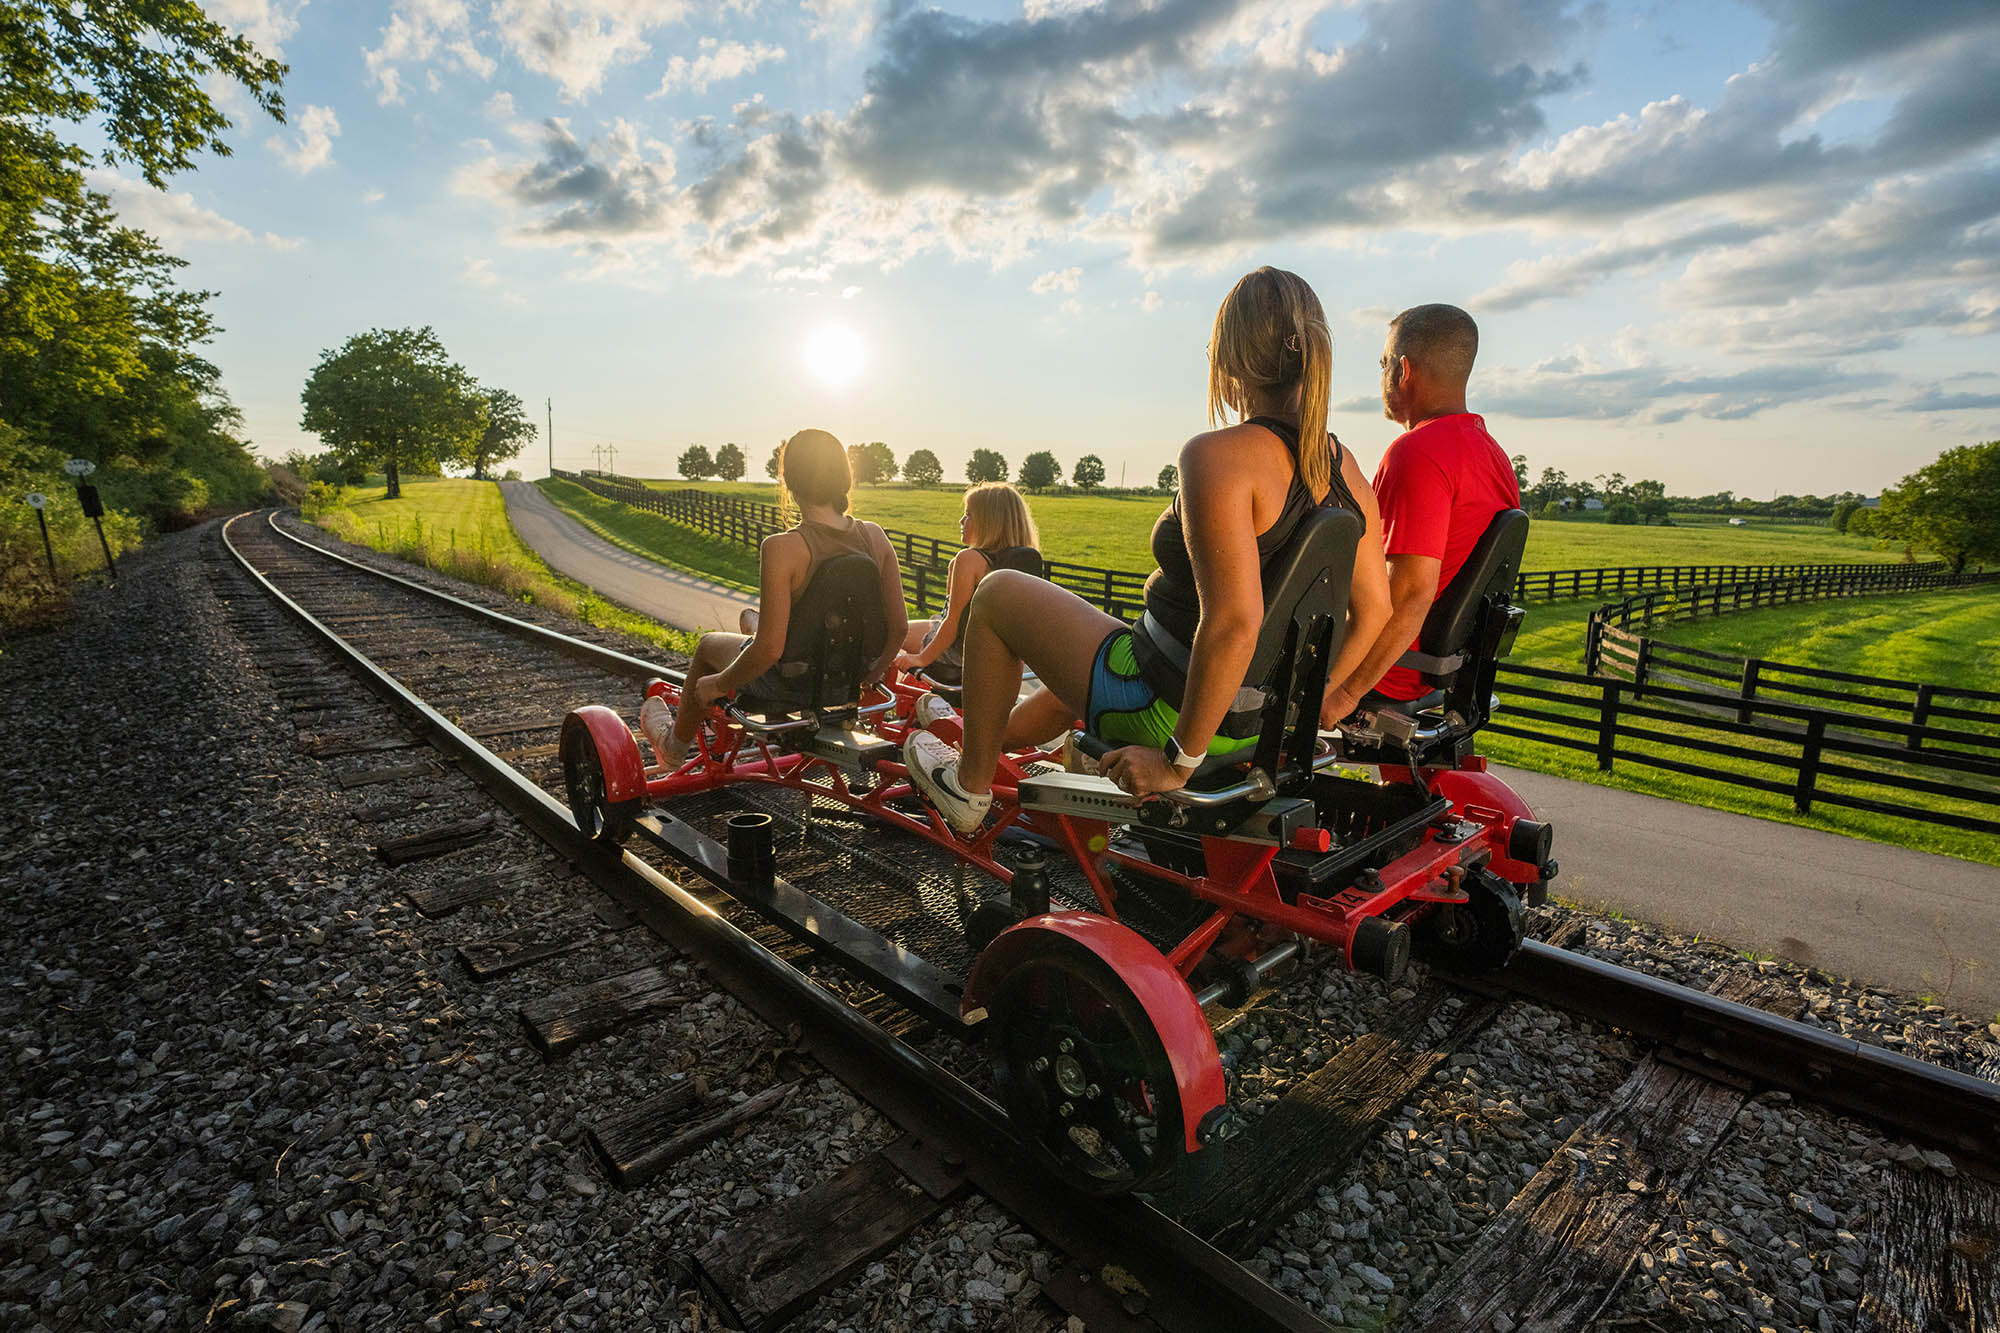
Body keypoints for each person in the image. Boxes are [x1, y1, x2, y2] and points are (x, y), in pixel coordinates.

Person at [903, 267, 1392, 834]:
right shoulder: (1344, 470)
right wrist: (1330, 698)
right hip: (1259, 723)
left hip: (1168, 711)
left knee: (995, 595)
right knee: (1090, 650)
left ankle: (968, 786)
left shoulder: (1219, 457)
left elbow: (1234, 622)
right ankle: (970, 734)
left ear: (1229, 360)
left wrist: (1174, 762)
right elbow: (1374, 611)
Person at [643, 429, 907, 764]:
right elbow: (898, 629)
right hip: (848, 677)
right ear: (845, 476)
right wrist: (869, 675)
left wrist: (717, 684)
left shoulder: (783, 548)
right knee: (749, 620)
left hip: (789, 686)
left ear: (790, 481)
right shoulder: (875, 538)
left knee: (709, 644)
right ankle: (748, 633)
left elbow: (769, 649)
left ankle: (673, 748)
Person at [1320, 304, 1521, 720]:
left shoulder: (1417, 453)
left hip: (1388, 671)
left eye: (1383, 364)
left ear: (1403, 371)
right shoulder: (1493, 455)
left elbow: (1411, 593)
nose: (1382, 377)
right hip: (1437, 670)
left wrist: (1346, 693)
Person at [895, 482, 1043, 684]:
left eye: (968, 514)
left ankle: (873, 712)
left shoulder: (968, 560)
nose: (961, 520)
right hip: (1000, 656)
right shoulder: (1021, 562)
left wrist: (920, 659)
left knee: (893, 635)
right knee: (919, 630)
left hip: (959, 655)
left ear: (989, 522)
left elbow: (952, 624)